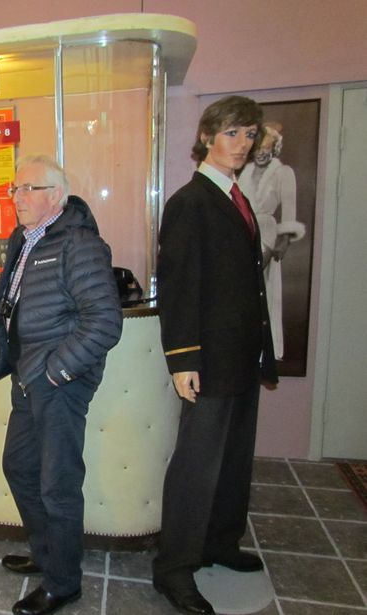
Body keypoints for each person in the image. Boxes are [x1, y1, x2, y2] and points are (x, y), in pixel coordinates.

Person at [0, 155, 122, 615]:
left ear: (56, 196)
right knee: (19, 467)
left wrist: (56, 372)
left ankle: (63, 582)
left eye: (27, 189)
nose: (16, 198)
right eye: (14, 189)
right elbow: (3, 292)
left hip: (58, 383)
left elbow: (104, 321)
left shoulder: (80, 244)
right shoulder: (24, 239)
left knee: (58, 485)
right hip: (28, 378)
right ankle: (48, 555)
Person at [152, 96, 278, 615]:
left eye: (249, 135)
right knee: (196, 467)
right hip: (207, 361)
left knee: (233, 460)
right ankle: (174, 568)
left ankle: (220, 543)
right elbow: (179, 286)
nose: (242, 144)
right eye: (231, 134)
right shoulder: (191, 202)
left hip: (241, 356)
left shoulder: (235, 196)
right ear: (206, 137)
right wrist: (183, 360)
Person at [238, 122, 306, 360]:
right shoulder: (243, 171)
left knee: (260, 286)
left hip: (266, 229)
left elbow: (289, 208)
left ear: (274, 149)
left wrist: (284, 240)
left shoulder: (282, 173)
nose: (261, 153)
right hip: (243, 230)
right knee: (242, 288)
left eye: (266, 148)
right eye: (258, 147)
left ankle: (265, 346)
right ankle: (244, 342)